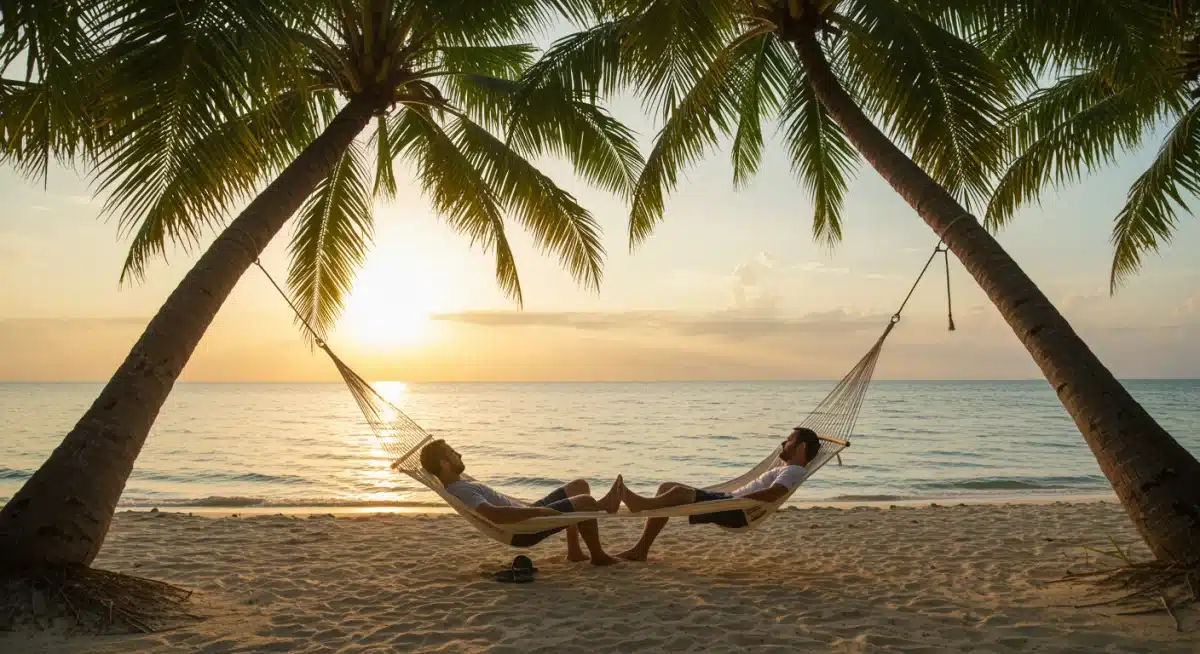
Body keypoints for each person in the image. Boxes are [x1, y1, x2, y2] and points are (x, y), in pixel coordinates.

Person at [616, 427, 822, 561]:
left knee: (678, 492)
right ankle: (641, 549)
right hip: (731, 502)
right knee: (667, 487)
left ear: (801, 447)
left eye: (789, 440)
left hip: (736, 509)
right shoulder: (787, 469)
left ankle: (641, 505)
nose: (783, 443)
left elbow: (776, 493)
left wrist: (738, 500)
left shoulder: (793, 470)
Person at [418, 438, 624, 566]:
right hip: (525, 527)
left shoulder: (459, 484)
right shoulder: (461, 490)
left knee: (579, 486)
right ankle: (599, 551)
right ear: (444, 464)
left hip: (527, 512)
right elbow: (494, 515)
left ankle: (574, 552)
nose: (459, 454)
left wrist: (535, 510)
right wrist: (540, 513)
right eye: (452, 453)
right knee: (585, 501)